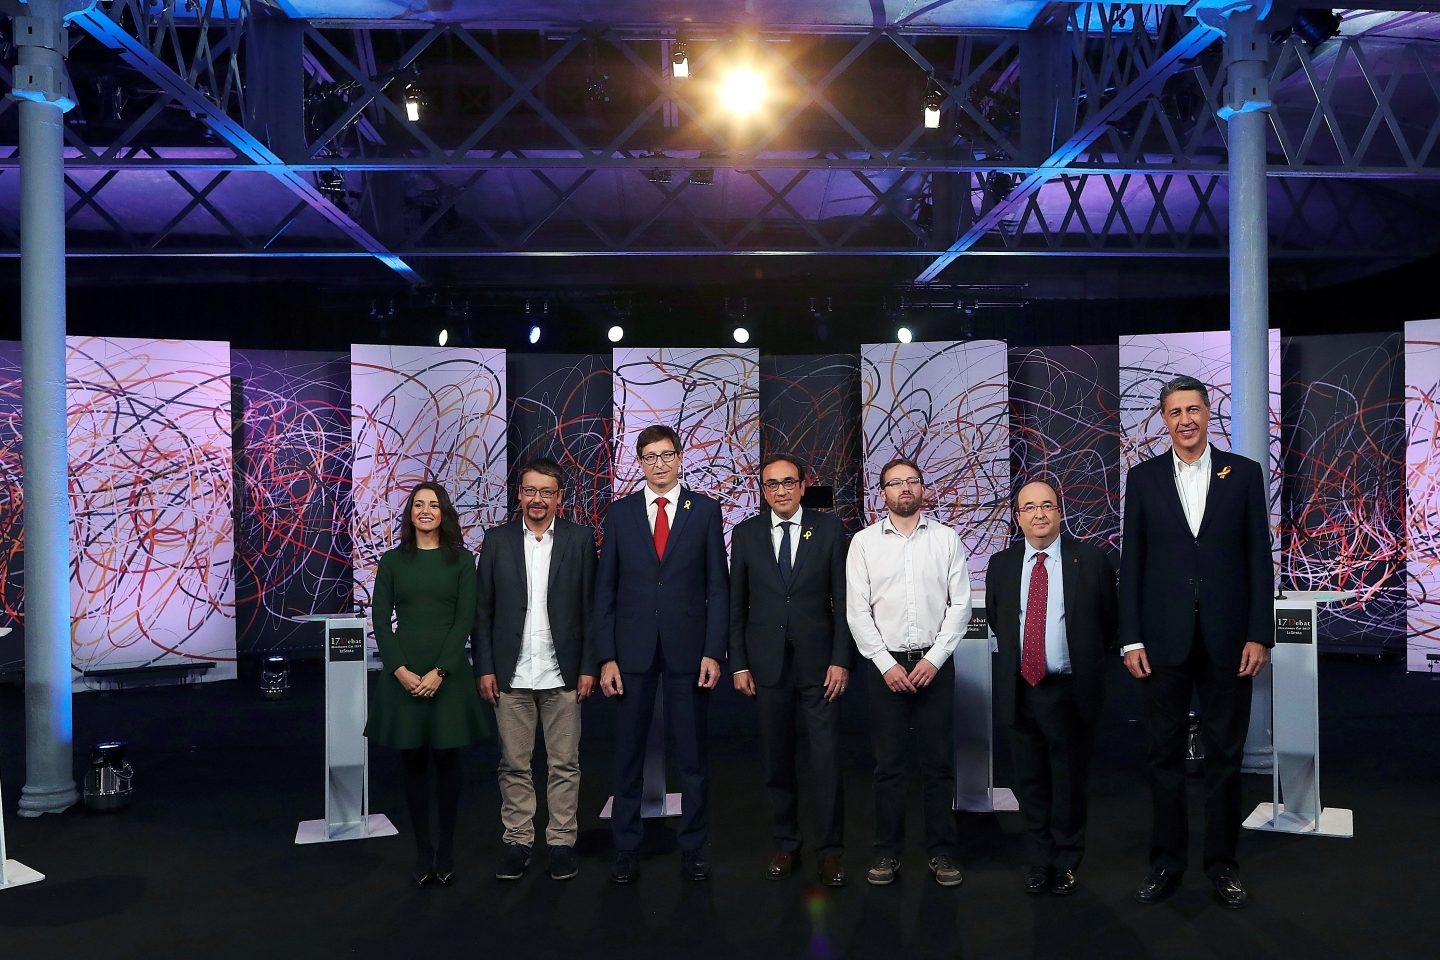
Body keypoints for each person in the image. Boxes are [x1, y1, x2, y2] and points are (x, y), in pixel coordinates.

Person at [1120, 375, 1273, 909]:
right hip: (1161, 641)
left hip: (1230, 639)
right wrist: (1129, 637)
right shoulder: (1142, 480)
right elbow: (1132, 564)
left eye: (1194, 409)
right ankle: (1166, 864)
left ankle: (1223, 865)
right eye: (1175, 411)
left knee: (1225, 758)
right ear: (1163, 420)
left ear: (1209, 414)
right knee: (1163, 757)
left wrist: (1260, 633)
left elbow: (1259, 559)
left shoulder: (1244, 475)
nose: (1186, 419)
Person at [594, 425, 728, 883]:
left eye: (666, 455)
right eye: (649, 457)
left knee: (691, 756)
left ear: (680, 456)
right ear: (639, 461)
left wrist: (714, 650)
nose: (659, 464)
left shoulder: (705, 511)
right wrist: (606, 656)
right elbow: (605, 590)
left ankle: (693, 846)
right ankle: (627, 847)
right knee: (628, 755)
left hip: (690, 653)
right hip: (630, 653)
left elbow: (717, 588)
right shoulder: (619, 513)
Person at [985, 480, 1117, 896]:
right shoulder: (1001, 564)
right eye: (1030, 508)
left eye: (1047, 506)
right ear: (1018, 516)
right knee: (1031, 781)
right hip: (1021, 687)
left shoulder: (1091, 560)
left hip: (1070, 689)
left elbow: (1108, 623)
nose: (1039, 514)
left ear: (1060, 513)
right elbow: (997, 619)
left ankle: (1067, 859)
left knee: (1069, 780)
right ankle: (1039, 860)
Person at [845, 456, 971, 888]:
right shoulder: (863, 543)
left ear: (922, 489)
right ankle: (887, 853)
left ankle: (942, 853)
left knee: (938, 765)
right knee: (888, 767)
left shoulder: (947, 539)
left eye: (911, 481)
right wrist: (885, 664)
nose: (903, 489)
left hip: (935, 664)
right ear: (882, 493)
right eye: (894, 483)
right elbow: (857, 612)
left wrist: (934, 659)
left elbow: (961, 605)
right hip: (886, 669)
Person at [730, 453, 853, 886]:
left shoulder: (829, 529)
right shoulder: (745, 534)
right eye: (771, 484)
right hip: (766, 664)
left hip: (821, 666)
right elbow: (735, 607)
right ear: (763, 491)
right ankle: (786, 843)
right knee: (776, 760)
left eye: (788, 482)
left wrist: (841, 658)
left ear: (803, 486)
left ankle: (831, 851)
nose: (780, 490)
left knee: (825, 760)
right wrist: (739, 663)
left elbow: (845, 603)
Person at [473, 458, 597, 882]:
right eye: (530, 490)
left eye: (547, 492)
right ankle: (518, 842)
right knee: (513, 765)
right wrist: (485, 667)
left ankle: (561, 842)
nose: (537, 499)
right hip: (511, 675)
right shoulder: (496, 540)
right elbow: (483, 610)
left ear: (559, 497)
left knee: (565, 764)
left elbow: (589, 608)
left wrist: (588, 667)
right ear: (519, 494)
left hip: (563, 674)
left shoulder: (580, 540)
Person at [365, 481, 485, 888]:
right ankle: (422, 851)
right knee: (413, 764)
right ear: (410, 513)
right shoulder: (392, 561)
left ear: (444, 512)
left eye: (433, 504)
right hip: (404, 677)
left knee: (449, 764)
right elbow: (381, 621)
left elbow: (464, 620)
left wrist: (440, 671)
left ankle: (447, 849)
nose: (426, 510)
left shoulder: (462, 561)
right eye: (419, 504)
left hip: (446, 677)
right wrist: (399, 669)